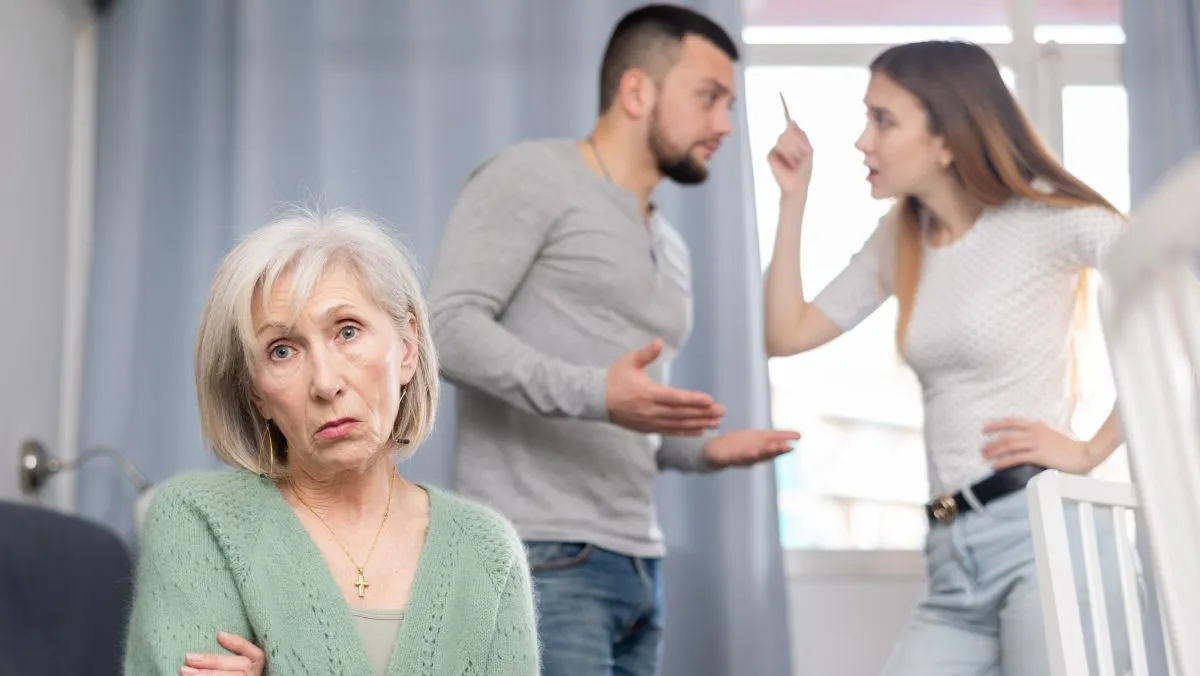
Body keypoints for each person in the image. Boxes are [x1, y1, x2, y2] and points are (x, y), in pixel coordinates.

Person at [427, 4, 800, 675]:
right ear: (637, 91)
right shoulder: (529, 176)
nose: (724, 125)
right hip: (538, 553)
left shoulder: (672, 247)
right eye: (709, 98)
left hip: (637, 564)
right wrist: (597, 392)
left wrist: (705, 450)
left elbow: (631, 416)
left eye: (731, 106)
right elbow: (444, 330)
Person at [763, 40, 1133, 675]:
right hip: (951, 555)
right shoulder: (903, 237)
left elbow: (1176, 303)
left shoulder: (1048, 217)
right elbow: (787, 332)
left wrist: (1089, 451)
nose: (862, 142)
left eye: (883, 120)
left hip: (1039, 540)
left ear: (947, 137)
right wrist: (792, 198)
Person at [123, 208, 539, 676]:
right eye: (282, 350)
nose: (325, 383)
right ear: (257, 392)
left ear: (406, 348)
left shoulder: (486, 549)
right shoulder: (197, 521)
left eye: (347, 331)